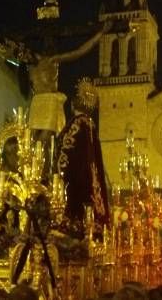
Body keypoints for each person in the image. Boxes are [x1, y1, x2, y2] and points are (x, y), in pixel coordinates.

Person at [56, 77, 109, 236]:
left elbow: (65, 154)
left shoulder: (77, 124)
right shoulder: (90, 124)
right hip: (90, 183)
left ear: (73, 105)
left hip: (75, 186)